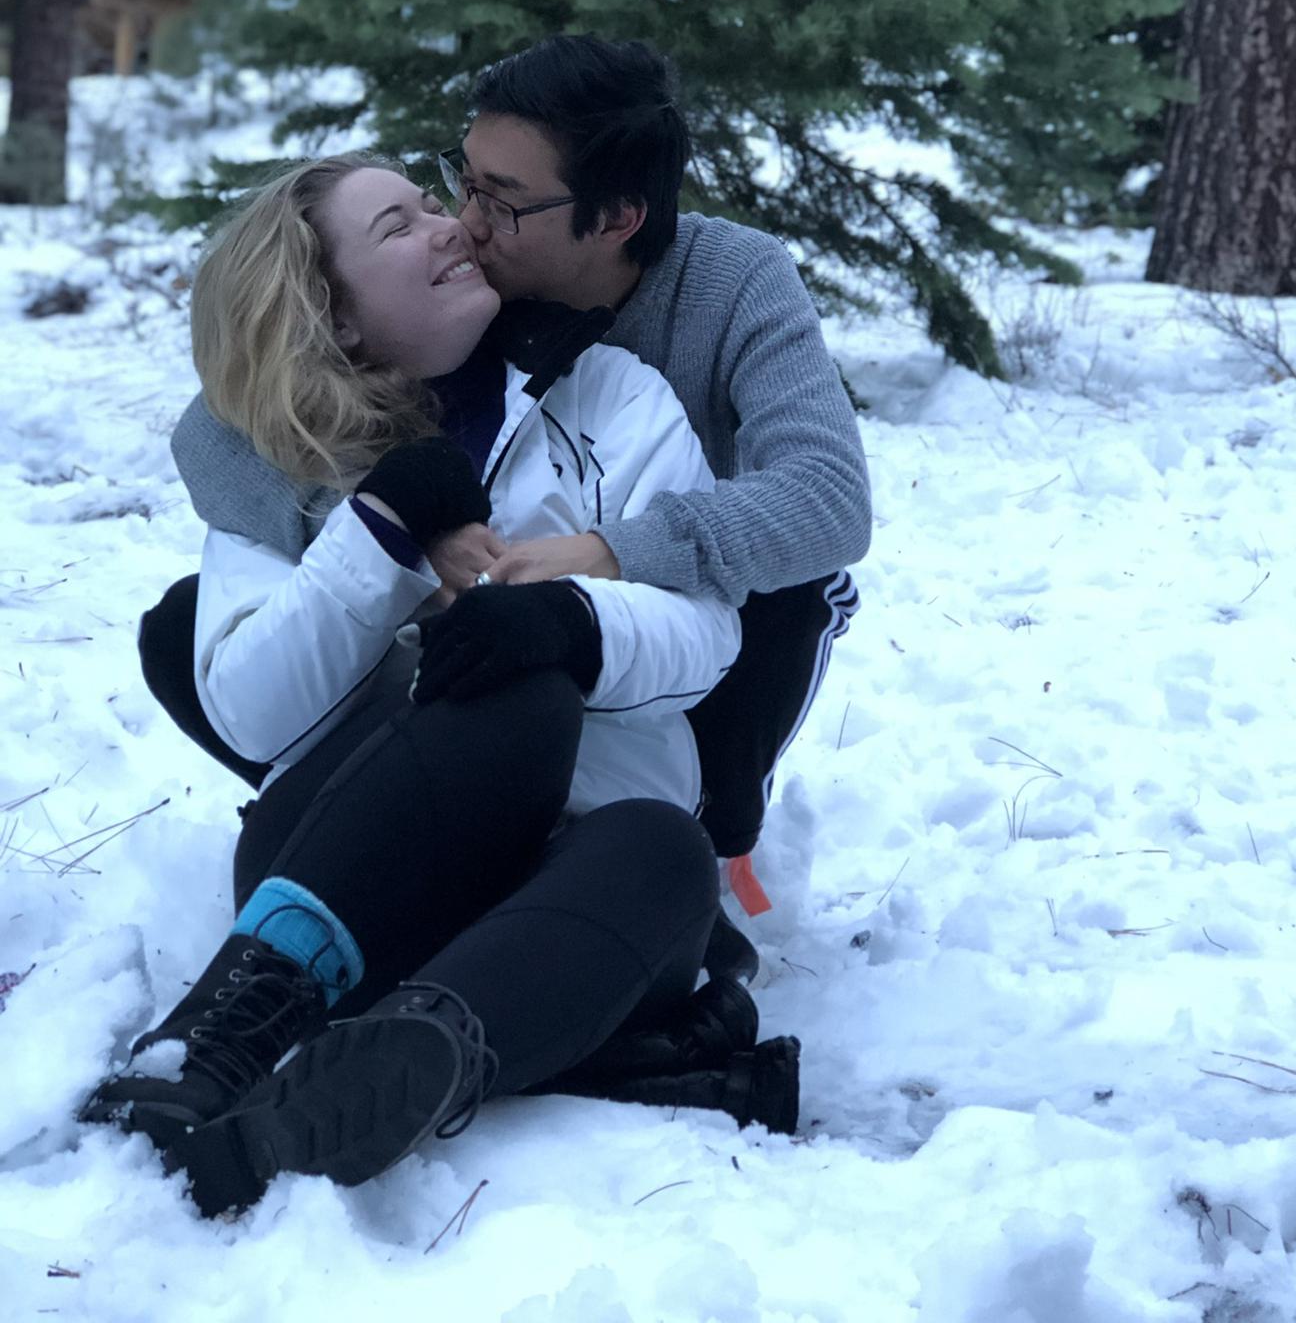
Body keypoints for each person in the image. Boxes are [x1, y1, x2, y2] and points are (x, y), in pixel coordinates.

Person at [86, 155, 796, 1218]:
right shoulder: (280, 461)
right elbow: (249, 709)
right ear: (337, 315)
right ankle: (210, 1042)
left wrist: (573, 617)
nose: (449, 225)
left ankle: (400, 1065)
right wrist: (380, 530)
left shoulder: (614, 396)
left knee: (665, 848)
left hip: (579, 888)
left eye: (433, 200)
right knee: (507, 690)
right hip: (361, 873)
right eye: (397, 225)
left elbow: (706, 626)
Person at [162, 38, 872, 923]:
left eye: (503, 202)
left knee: (789, 593)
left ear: (616, 218)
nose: (466, 221)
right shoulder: (466, 286)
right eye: (464, 178)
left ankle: (707, 842)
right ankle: (360, 819)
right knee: (186, 627)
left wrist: (605, 554)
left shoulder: (732, 283)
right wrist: (397, 528)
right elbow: (219, 432)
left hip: (677, 611)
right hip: (490, 620)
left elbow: (829, 499)